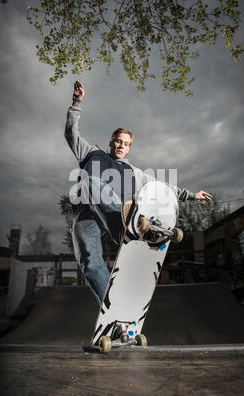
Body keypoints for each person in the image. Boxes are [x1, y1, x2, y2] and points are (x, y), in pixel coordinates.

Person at [65, 81, 212, 306]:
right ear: (111, 141)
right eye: (118, 141)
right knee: (87, 261)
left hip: (116, 216)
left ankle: (122, 227)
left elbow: (164, 187)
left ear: (129, 147)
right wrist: (77, 102)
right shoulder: (91, 153)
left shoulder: (134, 173)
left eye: (126, 144)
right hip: (85, 215)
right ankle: (112, 307)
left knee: (89, 181)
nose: (121, 146)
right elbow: (70, 133)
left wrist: (192, 195)